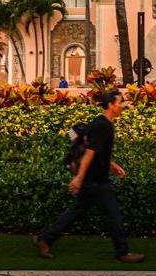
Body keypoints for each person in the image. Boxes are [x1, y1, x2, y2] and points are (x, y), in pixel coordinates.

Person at [34, 89, 145, 263]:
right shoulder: (103, 125)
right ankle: (123, 252)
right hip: (96, 181)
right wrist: (79, 178)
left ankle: (45, 239)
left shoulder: (103, 124)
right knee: (113, 214)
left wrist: (112, 166)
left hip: (94, 179)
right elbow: (89, 154)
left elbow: (97, 152)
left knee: (75, 212)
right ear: (110, 104)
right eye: (119, 102)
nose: (122, 106)